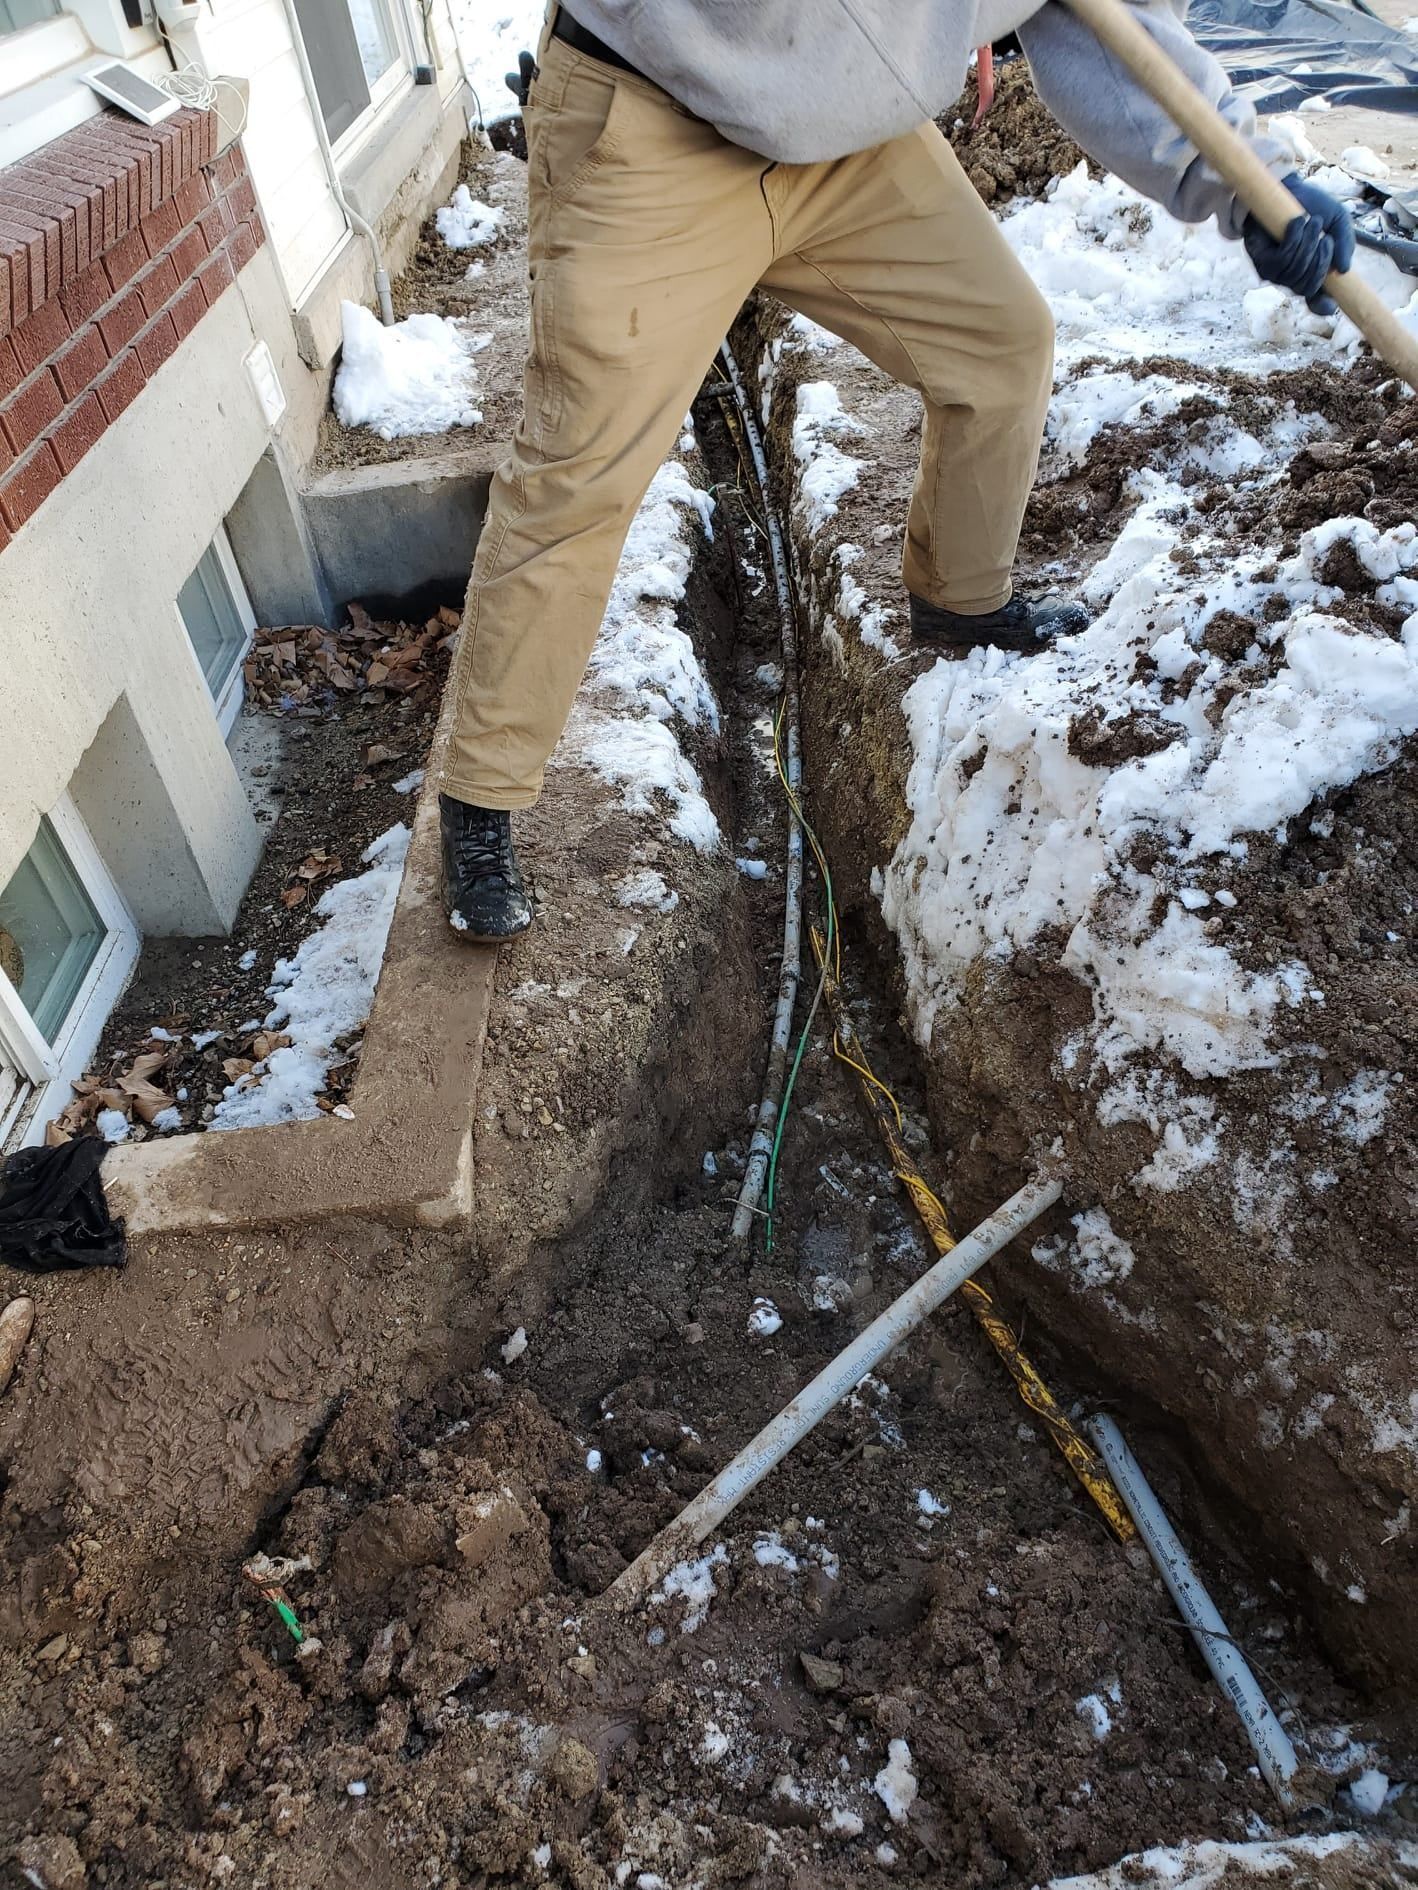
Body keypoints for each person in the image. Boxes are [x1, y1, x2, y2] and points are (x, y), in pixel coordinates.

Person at [439, 0, 1354, 943]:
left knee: (1000, 344)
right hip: (653, 120)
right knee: (578, 475)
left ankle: (962, 597)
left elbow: (1114, 31)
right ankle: (480, 797)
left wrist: (1253, 184)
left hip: (847, 143)